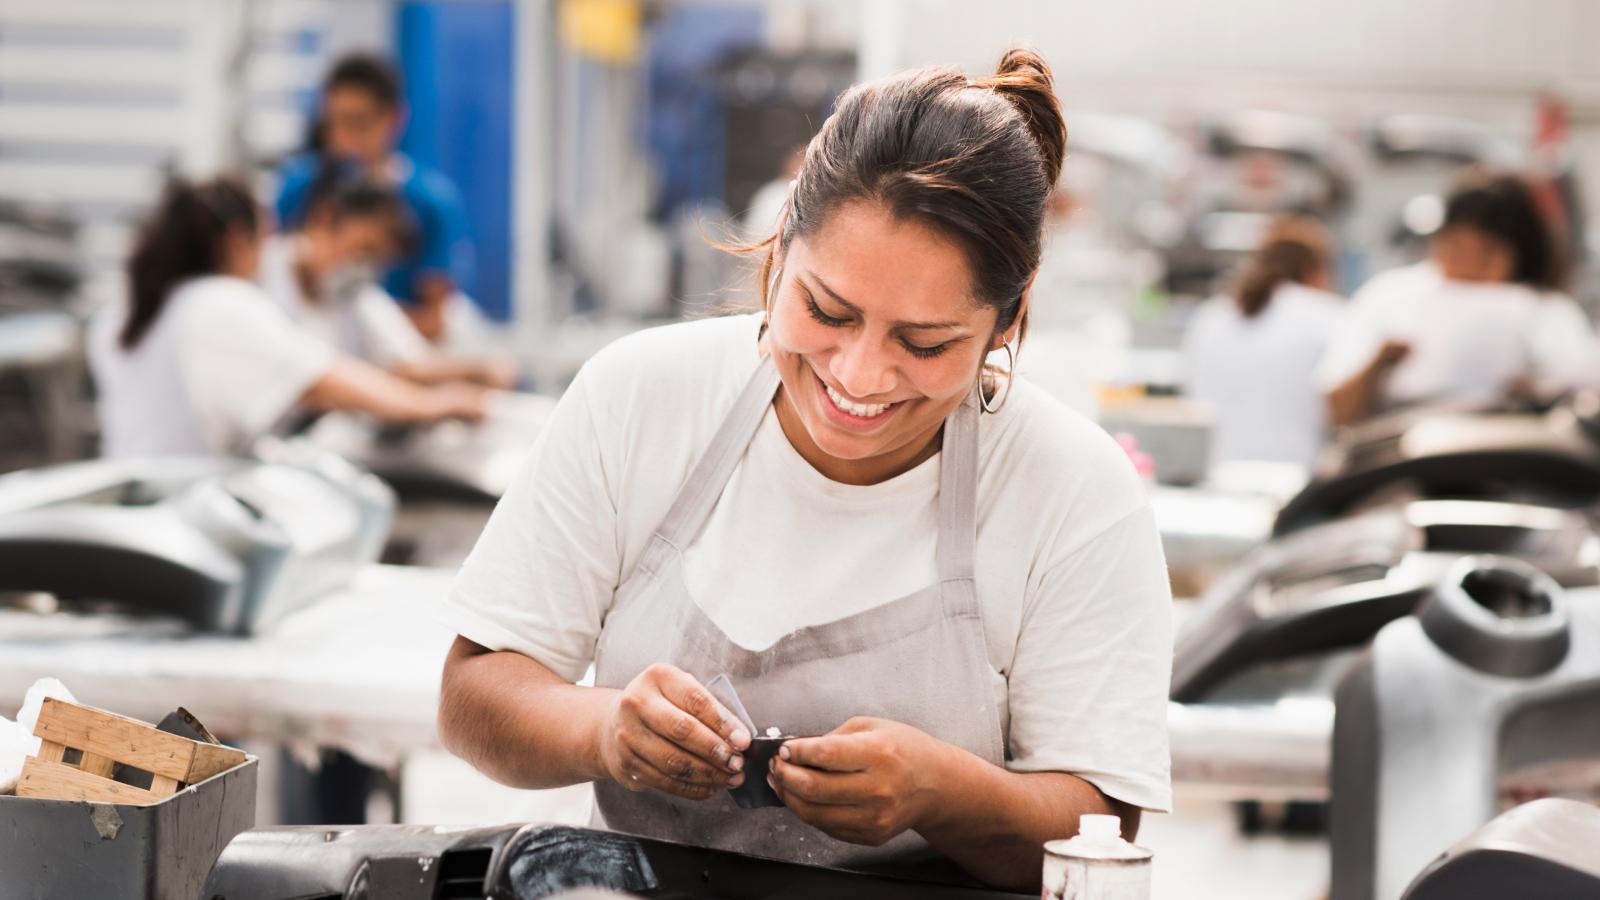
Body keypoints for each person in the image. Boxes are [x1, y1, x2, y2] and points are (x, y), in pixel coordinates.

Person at [436, 50, 1172, 891]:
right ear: (783, 243)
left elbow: (1102, 829)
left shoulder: (1073, 492)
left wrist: (941, 792)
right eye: (826, 310)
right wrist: (604, 730)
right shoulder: (640, 397)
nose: (859, 376)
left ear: (1008, 316)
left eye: (925, 343)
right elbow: (476, 694)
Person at [89, 176, 486, 459]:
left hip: (140, 491)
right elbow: (319, 380)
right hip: (185, 505)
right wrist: (432, 405)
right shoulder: (221, 302)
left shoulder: (133, 308)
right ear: (236, 241)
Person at [1319, 170, 1599, 426]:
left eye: (1486, 253)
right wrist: (1380, 363)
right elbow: (1334, 409)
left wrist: (1536, 398)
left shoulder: (1546, 310)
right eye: (1455, 247)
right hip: (1397, 462)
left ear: (1520, 255)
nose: (1467, 265)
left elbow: (1582, 407)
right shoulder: (1388, 297)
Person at [275, 53, 474, 342]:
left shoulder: (432, 202)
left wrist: (361, 319)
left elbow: (435, 321)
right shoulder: (297, 188)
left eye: (358, 123)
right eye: (334, 123)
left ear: (395, 117)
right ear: (322, 218)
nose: (344, 139)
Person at [259, 170, 515, 389]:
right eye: (364, 249)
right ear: (325, 219)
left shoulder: (356, 294)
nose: (363, 266)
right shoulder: (261, 272)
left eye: (376, 259)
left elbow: (408, 363)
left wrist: (480, 370)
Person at [1181, 216, 1344, 468]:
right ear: (1315, 269)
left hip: (1216, 470)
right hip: (1297, 476)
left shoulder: (1211, 315)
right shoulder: (1329, 316)